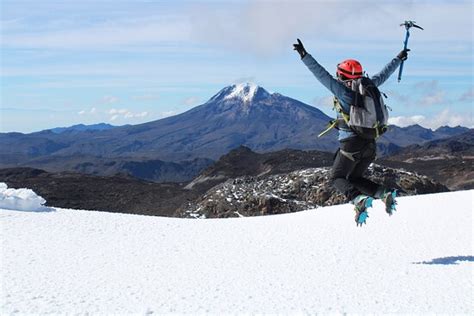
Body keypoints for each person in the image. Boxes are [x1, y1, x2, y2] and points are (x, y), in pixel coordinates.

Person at [293, 38, 409, 226]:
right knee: (355, 178)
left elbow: (321, 75)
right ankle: (383, 193)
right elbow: (384, 74)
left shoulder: (344, 92)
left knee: (337, 178)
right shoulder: (370, 86)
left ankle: (357, 199)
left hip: (351, 144)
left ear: (343, 76)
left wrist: (304, 56)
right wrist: (398, 58)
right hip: (370, 144)